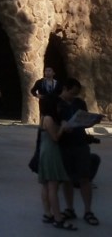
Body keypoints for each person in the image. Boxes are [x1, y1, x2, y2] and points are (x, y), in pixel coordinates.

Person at [58, 77, 100, 226]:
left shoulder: (79, 103)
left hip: (80, 143)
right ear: (65, 89)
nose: (73, 96)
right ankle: (70, 209)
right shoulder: (57, 104)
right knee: (67, 178)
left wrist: (92, 121)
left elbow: (84, 119)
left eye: (76, 93)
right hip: (64, 145)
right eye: (72, 93)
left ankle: (88, 211)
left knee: (84, 177)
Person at [37, 95, 77, 230]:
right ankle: (58, 218)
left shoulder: (45, 117)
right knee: (53, 187)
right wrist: (62, 128)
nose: (60, 108)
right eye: (58, 105)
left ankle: (48, 214)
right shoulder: (48, 118)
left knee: (46, 185)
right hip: (51, 152)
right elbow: (55, 138)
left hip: (45, 151)